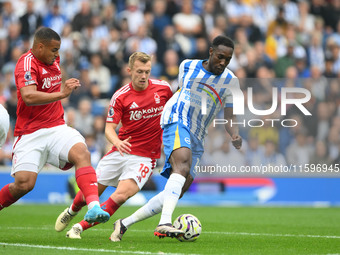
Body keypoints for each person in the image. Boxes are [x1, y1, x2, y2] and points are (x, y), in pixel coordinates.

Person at [110, 35, 242, 241]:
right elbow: (180, 93)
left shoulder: (231, 82)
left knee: (179, 188)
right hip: (177, 119)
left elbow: (230, 115)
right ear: (210, 52)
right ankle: (164, 222)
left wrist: (234, 133)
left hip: (198, 134)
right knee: (181, 166)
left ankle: (124, 223)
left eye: (228, 59)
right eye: (220, 57)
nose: (223, 62)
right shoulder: (187, 66)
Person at [54, 52, 173, 239]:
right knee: (90, 193)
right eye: (139, 71)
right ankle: (72, 210)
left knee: (121, 196)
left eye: (147, 72)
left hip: (145, 157)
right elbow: (109, 128)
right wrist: (116, 141)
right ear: (129, 70)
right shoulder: (121, 96)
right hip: (121, 151)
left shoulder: (163, 89)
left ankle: (79, 228)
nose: (143, 76)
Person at [0, 27, 110, 225]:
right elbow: (28, 96)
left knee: (81, 153)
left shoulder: (53, 60)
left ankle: (94, 206)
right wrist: (62, 93)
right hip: (30, 133)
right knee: (24, 184)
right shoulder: (26, 63)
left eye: (58, 50)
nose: (57, 55)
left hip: (56, 126)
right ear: (40, 47)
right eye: (53, 50)